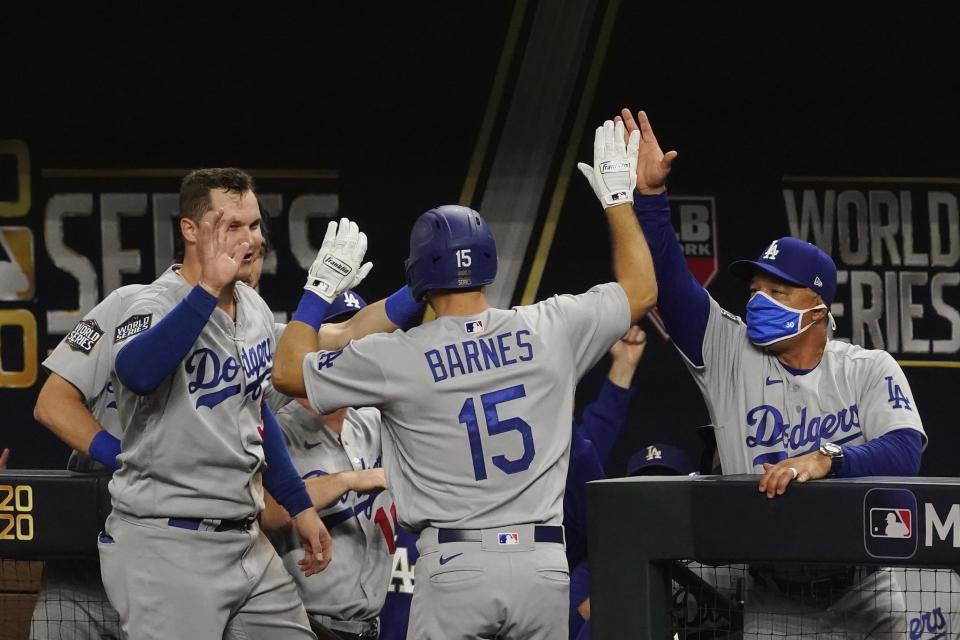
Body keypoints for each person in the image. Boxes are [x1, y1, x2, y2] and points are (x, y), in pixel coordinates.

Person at [273, 118, 658, 639]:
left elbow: (288, 371)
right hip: (543, 565)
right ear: (490, 263)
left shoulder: (400, 355)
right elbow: (642, 289)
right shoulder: (550, 325)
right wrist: (618, 202)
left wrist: (318, 290)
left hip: (456, 564)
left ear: (418, 277)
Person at [619, 107, 926, 637]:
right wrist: (649, 200)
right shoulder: (729, 352)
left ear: (818, 307)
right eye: (756, 289)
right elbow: (670, 282)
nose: (760, 300)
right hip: (774, 598)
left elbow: (905, 449)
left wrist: (829, 460)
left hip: (866, 590)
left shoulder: (866, 369)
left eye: (778, 291)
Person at [98, 167, 338, 639]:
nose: (249, 237)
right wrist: (207, 289)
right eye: (232, 226)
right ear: (190, 230)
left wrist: (299, 505)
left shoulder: (254, 308)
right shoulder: (152, 303)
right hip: (167, 543)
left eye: (253, 224)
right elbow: (136, 373)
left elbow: (257, 416)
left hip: (245, 541)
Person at [263, 291, 398, 640]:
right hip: (301, 623)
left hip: (371, 627)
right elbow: (267, 512)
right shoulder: (277, 426)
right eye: (339, 340)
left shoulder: (375, 422)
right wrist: (347, 480)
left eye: (357, 342)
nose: (346, 354)